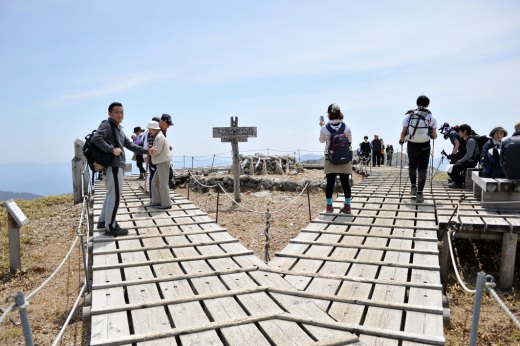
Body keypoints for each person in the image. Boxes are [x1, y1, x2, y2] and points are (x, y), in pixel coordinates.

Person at [92, 102, 150, 236]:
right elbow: (96, 138)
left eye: (122, 112)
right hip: (114, 166)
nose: (120, 114)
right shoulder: (106, 125)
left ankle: (103, 221)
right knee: (115, 197)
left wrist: (147, 150)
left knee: (111, 194)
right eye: (117, 112)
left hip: (116, 166)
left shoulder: (118, 129)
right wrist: (112, 149)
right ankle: (110, 226)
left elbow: (130, 145)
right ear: (110, 113)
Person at [399, 95, 438, 202]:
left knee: (412, 165)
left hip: (412, 144)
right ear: (428, 104)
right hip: (425, 145)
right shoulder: (431, 117)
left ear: (417, 103)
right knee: (422, 168)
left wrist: (402, 140)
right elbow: (434, 136)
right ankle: (420, 193)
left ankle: (413, 187)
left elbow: (403, 132)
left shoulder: (409, 116)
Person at [319, 103, 352, 214]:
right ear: (340, 113)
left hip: (330, 158)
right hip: (344, 158)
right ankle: (347, 206)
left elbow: (321, 141)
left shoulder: (324, 128)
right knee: (345, 183)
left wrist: (322, 127)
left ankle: (329, 206)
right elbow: (350, 141)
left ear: (328, 114)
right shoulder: (346, 126)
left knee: (330, 183)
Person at [146, 121, 173, 209]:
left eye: (150, 129)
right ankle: (157, 201)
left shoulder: (159, 137)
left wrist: (150, 152)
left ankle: (166, 204)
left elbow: (157, 151)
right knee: (155, 182)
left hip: (162, 162)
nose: (149, 131)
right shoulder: (159, 136)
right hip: (161, 162)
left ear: (154, 129)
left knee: (163, 184)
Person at [447, 124, 478, 188]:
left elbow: (469, 155)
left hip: (471, 162)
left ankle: (459, 183)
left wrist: (459, 161)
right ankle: (459, 181)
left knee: (451, 170)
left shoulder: (470, 140)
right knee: (451, 168)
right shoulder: (468, 139)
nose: (458, 133)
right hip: (470, 161)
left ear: (465, 132)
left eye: (459, 131)